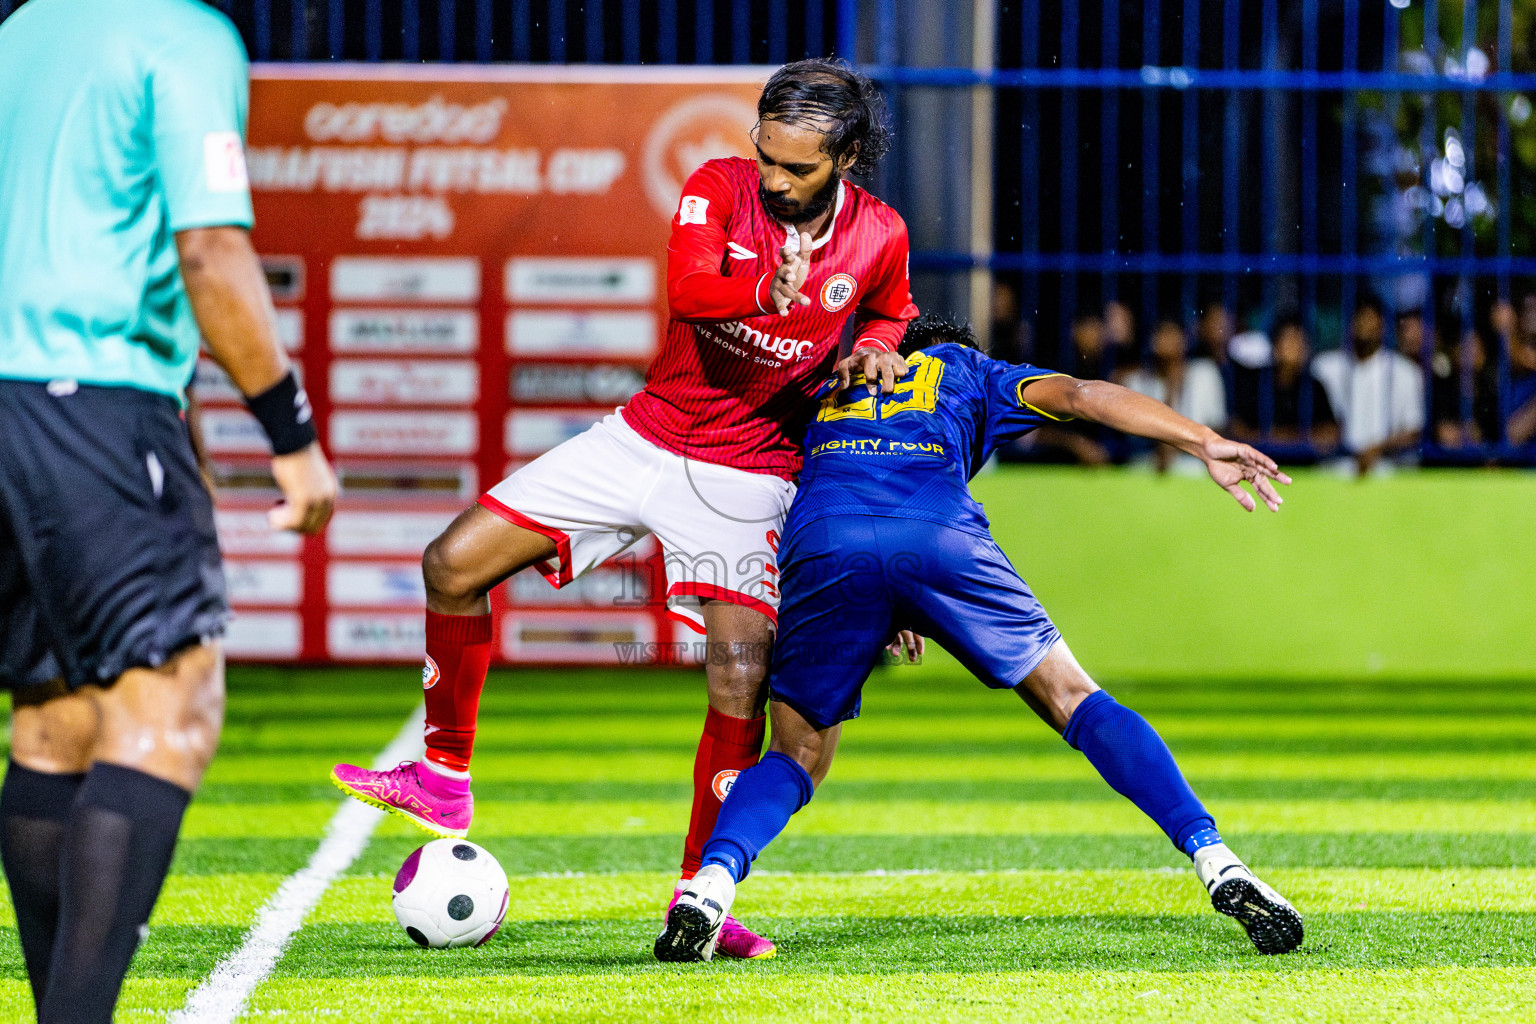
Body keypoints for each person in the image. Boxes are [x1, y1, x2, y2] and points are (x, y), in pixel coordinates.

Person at [331, 58, 917, 960]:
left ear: (843, 156)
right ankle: (444, 775)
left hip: (752, 468)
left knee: (738, 676)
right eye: (766, 155)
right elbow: (690, 289)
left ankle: (703, 895)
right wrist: (770, 291)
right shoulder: (718, 188)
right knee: (451, 564)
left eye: (797, 167)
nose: (774, 178)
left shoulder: (880, 232)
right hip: (644, 436)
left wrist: (874, 347)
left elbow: (890, 310)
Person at [654, 314, 1303, 963]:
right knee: (1074, 698)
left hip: (825, 533)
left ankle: (709, 886)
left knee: (795, 753)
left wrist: (885, 601)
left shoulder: (840, 378)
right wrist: (1200, 439)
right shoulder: (969, 370)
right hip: (939, 534)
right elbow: (1081, 396)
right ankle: (1216, 860)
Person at [0, 3, 338, 1022]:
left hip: (14, 400)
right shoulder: (185, 36)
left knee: (55, 716)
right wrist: (292, 436)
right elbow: (210, 255)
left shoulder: (23, 29)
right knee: (168, 709)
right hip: (91, 399)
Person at [1311, 296, 1425, 475]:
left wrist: (1377, 449)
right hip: (1333, 471)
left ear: (1383, 326)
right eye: (1360, 317)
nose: (1364, 324)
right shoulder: (1324, 367)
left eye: (1371, 318)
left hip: (1389, 472)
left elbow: (1413, 430)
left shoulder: (1405, 372)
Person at [1122, 320, 1228, 471]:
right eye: (1160, 334)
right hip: (1146, 462)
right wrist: (1170, 388)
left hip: (1194, 461)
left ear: (1184, 339)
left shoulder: (1205, 372)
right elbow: (1135, 437)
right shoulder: (1137, 381)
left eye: (1171, 333)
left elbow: (1217, 426)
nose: (1165, 340)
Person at [1230, 316, 1339, 456]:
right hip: (1257, 463)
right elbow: (1237, 429)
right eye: (1290, 339)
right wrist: (1297, 438)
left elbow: (1330, 432)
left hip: (1305, 466)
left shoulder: (1313, 386)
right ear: (1276, 345)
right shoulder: (1256, 382)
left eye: (1302, 341)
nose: (1297, 346)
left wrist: (1278, 437)